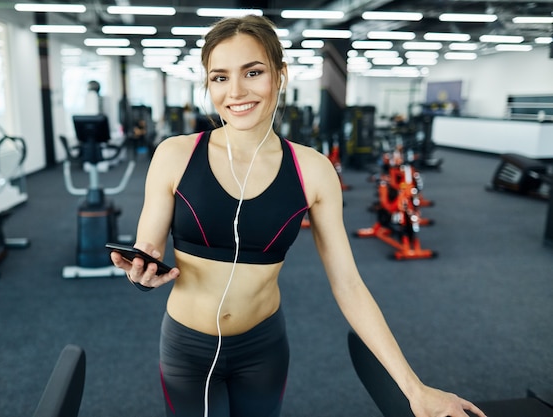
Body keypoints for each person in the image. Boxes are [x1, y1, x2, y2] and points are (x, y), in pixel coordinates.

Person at [110, 15, 486, 417]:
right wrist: (141, 271)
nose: (235, 91)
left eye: (252, 72)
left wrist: (414, 389)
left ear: (280, 75)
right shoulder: (175, 154)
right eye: (219, 77)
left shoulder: (314, 169)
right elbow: (147, 245)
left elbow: (348, 285)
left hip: (263, 348)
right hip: (189, 348)